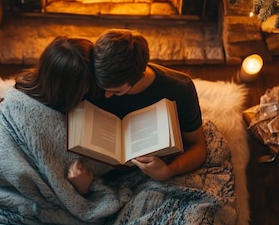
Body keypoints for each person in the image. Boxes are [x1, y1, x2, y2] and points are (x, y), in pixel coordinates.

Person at [89, 28, 207, 181]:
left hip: (149, 173)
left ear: (139, 76)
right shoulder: (94, 78)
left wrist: (168, 171)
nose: (106, 95)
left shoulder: (180, 88)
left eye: (117, 91)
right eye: (103, 88)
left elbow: (198, 146)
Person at [12, 35, 99, 195]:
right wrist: (81, 187)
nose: (87, 90)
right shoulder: (20, 103)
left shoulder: (38, 81)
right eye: (83, 86)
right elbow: (49, 183)